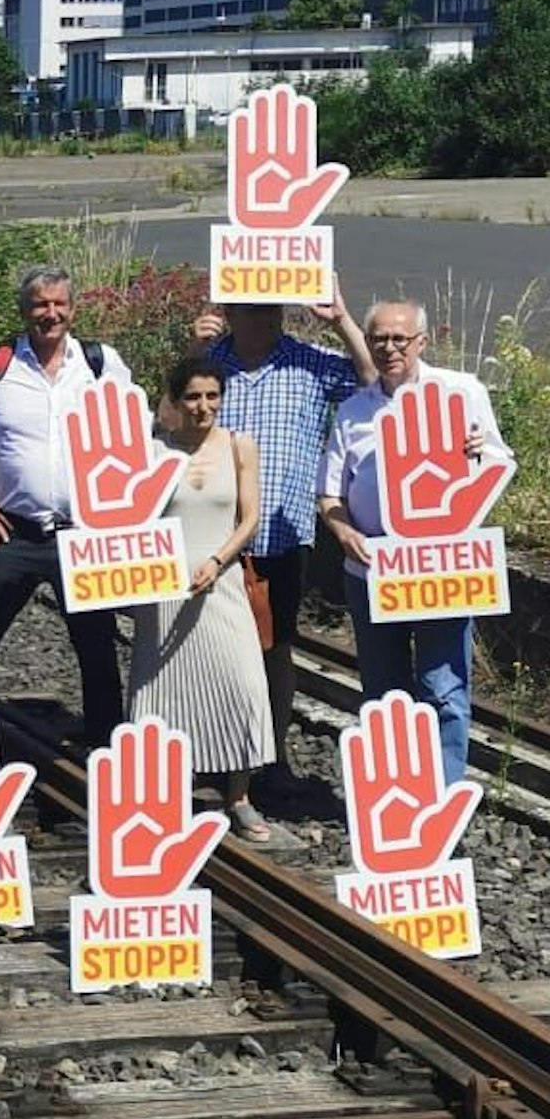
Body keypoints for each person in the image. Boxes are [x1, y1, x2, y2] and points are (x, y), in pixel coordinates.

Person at [0, 265, 130, 748]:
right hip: (14, 532)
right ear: (25, 311)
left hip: (83, 534)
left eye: (59, 303)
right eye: (41, 304)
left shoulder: (100, 364)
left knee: (97, 648)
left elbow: (135, 427)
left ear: (73, 309)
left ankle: (105, 748)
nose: (51, 313)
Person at [319, 301, 512, 785]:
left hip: (440, 568)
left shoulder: (462, 392)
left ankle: (442, 796)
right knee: (383, 691)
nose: (389, 348)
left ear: (421, 342)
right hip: (373, 570)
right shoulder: (354, 410)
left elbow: (499, 462)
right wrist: (345, 532)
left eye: (399, 339)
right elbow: (329, 493)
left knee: (442, 687)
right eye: (379, 339)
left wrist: (478, 454)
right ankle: (394, 792)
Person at [191, 288, 374, 778]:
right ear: (229, 311)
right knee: (210, 650)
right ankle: (212, 754)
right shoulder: (208, 362)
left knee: (274, 649)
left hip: (279, 536)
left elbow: (372, 381)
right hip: (210, 537)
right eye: (252, 308)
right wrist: (193, 350)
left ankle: (270, 756)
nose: (264, 318)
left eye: (271, 308)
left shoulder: (308, 361)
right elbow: (167, 420)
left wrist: (342, 321)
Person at [125, 358, 276, 840]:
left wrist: (217, 560)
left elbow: (249, 518)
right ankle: (166, 790)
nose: (203, 406)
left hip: (221, 582)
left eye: (212, 395)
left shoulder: (238, 445)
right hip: (164, 588)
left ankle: (240, 795)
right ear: (175, 400)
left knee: (242, 683)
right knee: (163, 689)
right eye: (192, 396)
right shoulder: (155, 450)